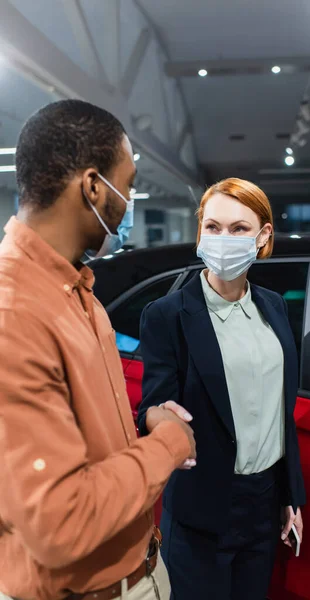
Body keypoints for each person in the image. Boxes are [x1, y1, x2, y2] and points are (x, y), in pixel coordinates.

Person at [0, 99, 196, 600]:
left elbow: (79, 436)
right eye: (127, 186)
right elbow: (60, 521)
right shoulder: (15, 314)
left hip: (138, 570)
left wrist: (141, 426)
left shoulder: (78, 292)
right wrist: (169, 443)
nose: (129, 202)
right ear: (92, 187)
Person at [138, 178, 306, 600]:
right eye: (212, 227)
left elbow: (279, 412)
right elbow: (152, 406)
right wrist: (157, 420)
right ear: (199, 232)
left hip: (264, 504)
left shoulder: (274, 306)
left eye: (238, 229)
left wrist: (290, 496)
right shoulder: (167, 315)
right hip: (203, 508)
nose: (223, 239)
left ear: (263, 236)